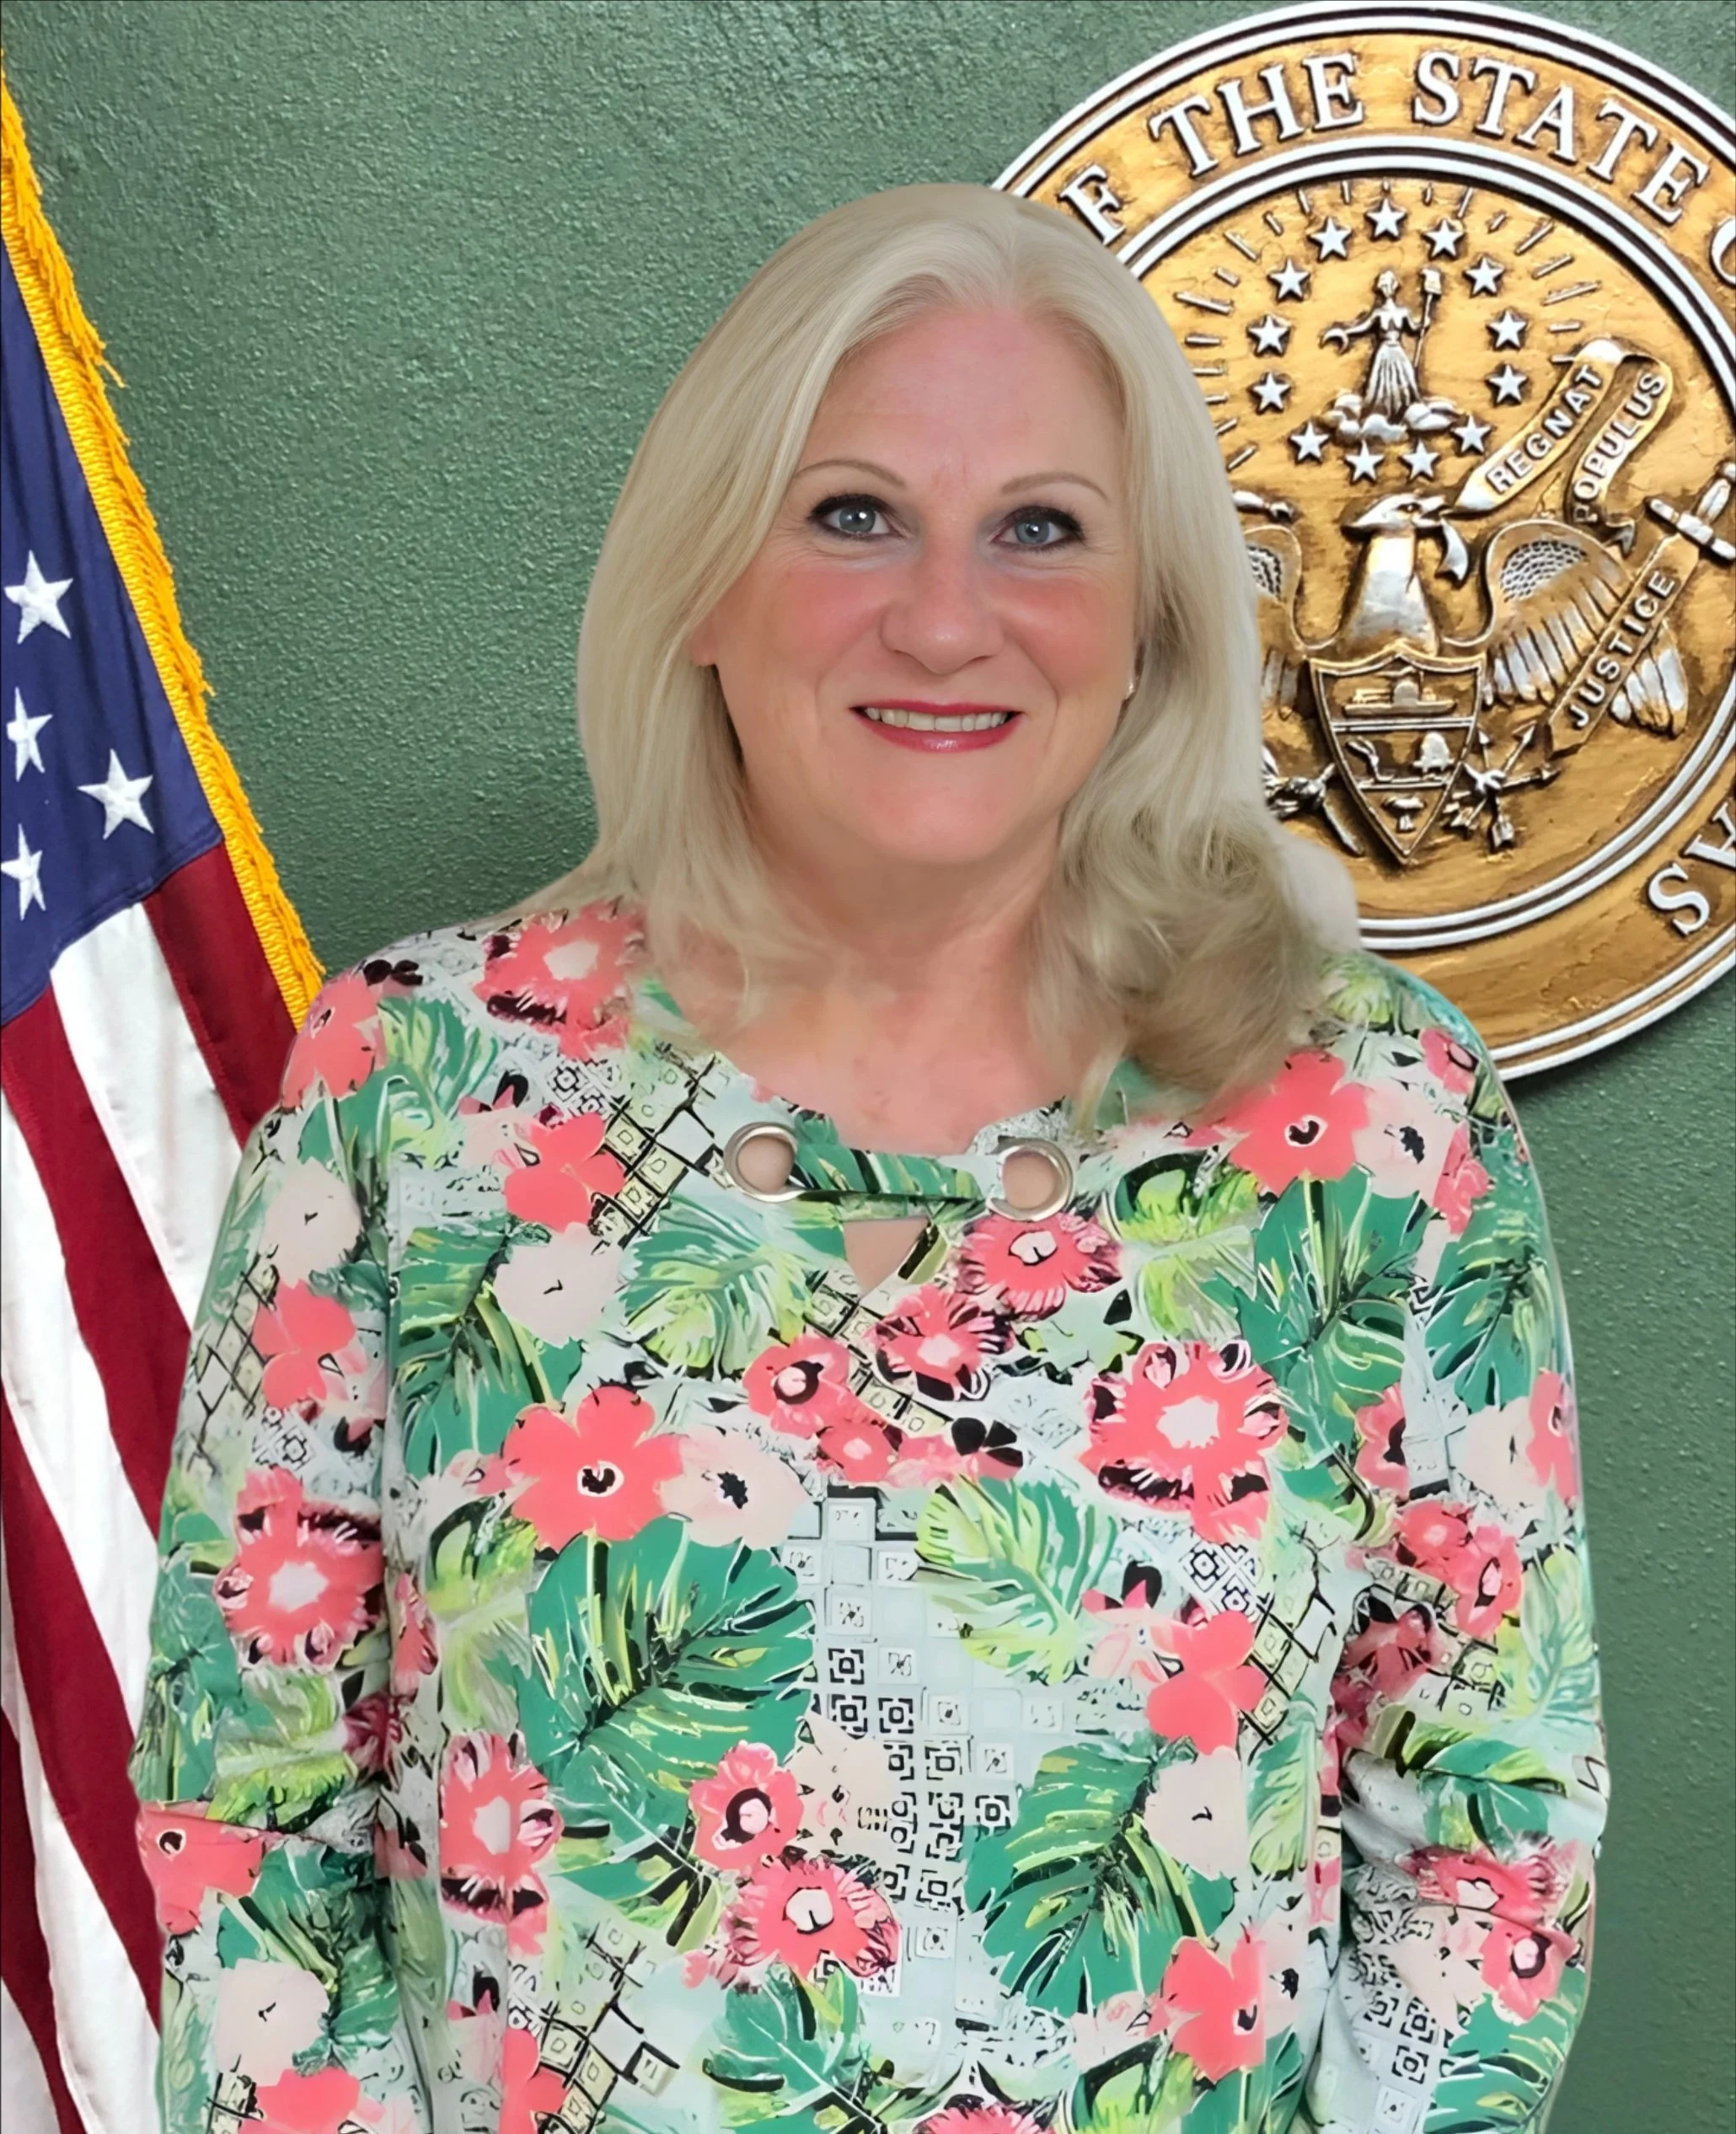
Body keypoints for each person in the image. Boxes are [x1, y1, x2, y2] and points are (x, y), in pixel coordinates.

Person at [131, 185, 1605, 2134]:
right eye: (851, 515)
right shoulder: (413, 1086)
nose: (943, 617)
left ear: (1148, 623)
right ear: (703, 587)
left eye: (1040, 530)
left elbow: (1491, 1832)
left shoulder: (1372, 1118)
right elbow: (250, 1815)